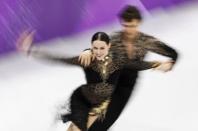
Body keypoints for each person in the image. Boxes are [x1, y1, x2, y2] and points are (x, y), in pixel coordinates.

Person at [17, 31, 161, 131]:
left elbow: (136, 65)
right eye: (95, 48)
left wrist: (157, 64)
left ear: (109, 47)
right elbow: (59, 59)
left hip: (101, 105)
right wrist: (30, 50)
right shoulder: (86, 60)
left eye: (102, 48)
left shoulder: (116, 62)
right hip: (82, 99)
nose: (98, 51)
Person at [79, 5, 179, 131]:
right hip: (107, 81)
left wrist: (170, 64)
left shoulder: (146, 41)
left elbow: (173, 53)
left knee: (103, 123)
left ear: (139, 23)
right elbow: (97, 49)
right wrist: (87, 51)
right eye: (125, 26)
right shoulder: (115, 40)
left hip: (126, 86)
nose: (128, 30)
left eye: (132, 26)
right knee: (83, 118)